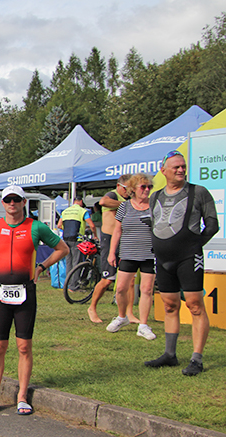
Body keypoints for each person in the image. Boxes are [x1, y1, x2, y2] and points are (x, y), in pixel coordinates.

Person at [0, 186, 68, 416]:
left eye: (16, 199)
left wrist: (41, 267)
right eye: (8, 200)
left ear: (24, 202)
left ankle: (22, 396)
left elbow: (62, 248)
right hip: (0, 292)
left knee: (24, 346)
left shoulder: (35, 227)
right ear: (3, 203)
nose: (12, 203)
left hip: (26, 291)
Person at [145, 151, 219, 376]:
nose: (180, 170)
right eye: (175, 167)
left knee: (195, 305)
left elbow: (212, 225)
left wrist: (194, 245)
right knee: (169, 305)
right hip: (163, 259)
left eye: (183, 166)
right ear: (163, 170)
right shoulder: (155, 196)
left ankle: (197, 359)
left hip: (189, 257)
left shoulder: (199, 192)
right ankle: (170, 354)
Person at [105, 174, 157, 341]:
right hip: (128, 253)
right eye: (143, 187)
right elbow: (117, 230)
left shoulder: (154, 206)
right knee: (120, 288)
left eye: (149, 187)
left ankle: (143, 325)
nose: (147, 190)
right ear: (133, 189)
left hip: (149, 253)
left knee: (146, 290)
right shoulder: (124, 207)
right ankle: (122, 317)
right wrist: (112, 252)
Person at [87, 175, 131, 323]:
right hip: (109, 239)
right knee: (107, 280)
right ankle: (92, 308)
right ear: (120, 186)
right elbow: (103, 201)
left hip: (124, 241)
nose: (128, 192)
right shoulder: (113, 195)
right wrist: (124, 204)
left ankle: (128, 313)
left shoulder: (129, 199)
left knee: (129, 280)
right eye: (127, 189)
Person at [58, 195, 97, 278]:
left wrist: (67, 229)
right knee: (76, 263)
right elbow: (92, 225)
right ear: (81, 202)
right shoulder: (82, 211)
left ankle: (68, 283)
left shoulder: (65, 211)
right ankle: (73, 286)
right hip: (77, 239)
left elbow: (59, 225)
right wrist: (95, 235)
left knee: (68, 262)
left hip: (66, 238)